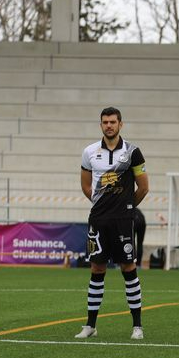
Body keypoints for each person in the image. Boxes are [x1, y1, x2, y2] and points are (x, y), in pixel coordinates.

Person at [76, 107, 149, 340]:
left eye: (113, 122)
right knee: (97, 269)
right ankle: (90, 325)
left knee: (128, 268)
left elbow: (144, 187)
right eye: (105, 122)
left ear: (120, 124)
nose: (109, 125)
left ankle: (137, 326)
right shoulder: (89, 152)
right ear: (101, 125)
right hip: (98, 220)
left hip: (123, 221)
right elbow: (86, 186)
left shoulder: (132, 152)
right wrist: (101, 204)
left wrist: (126, 207)